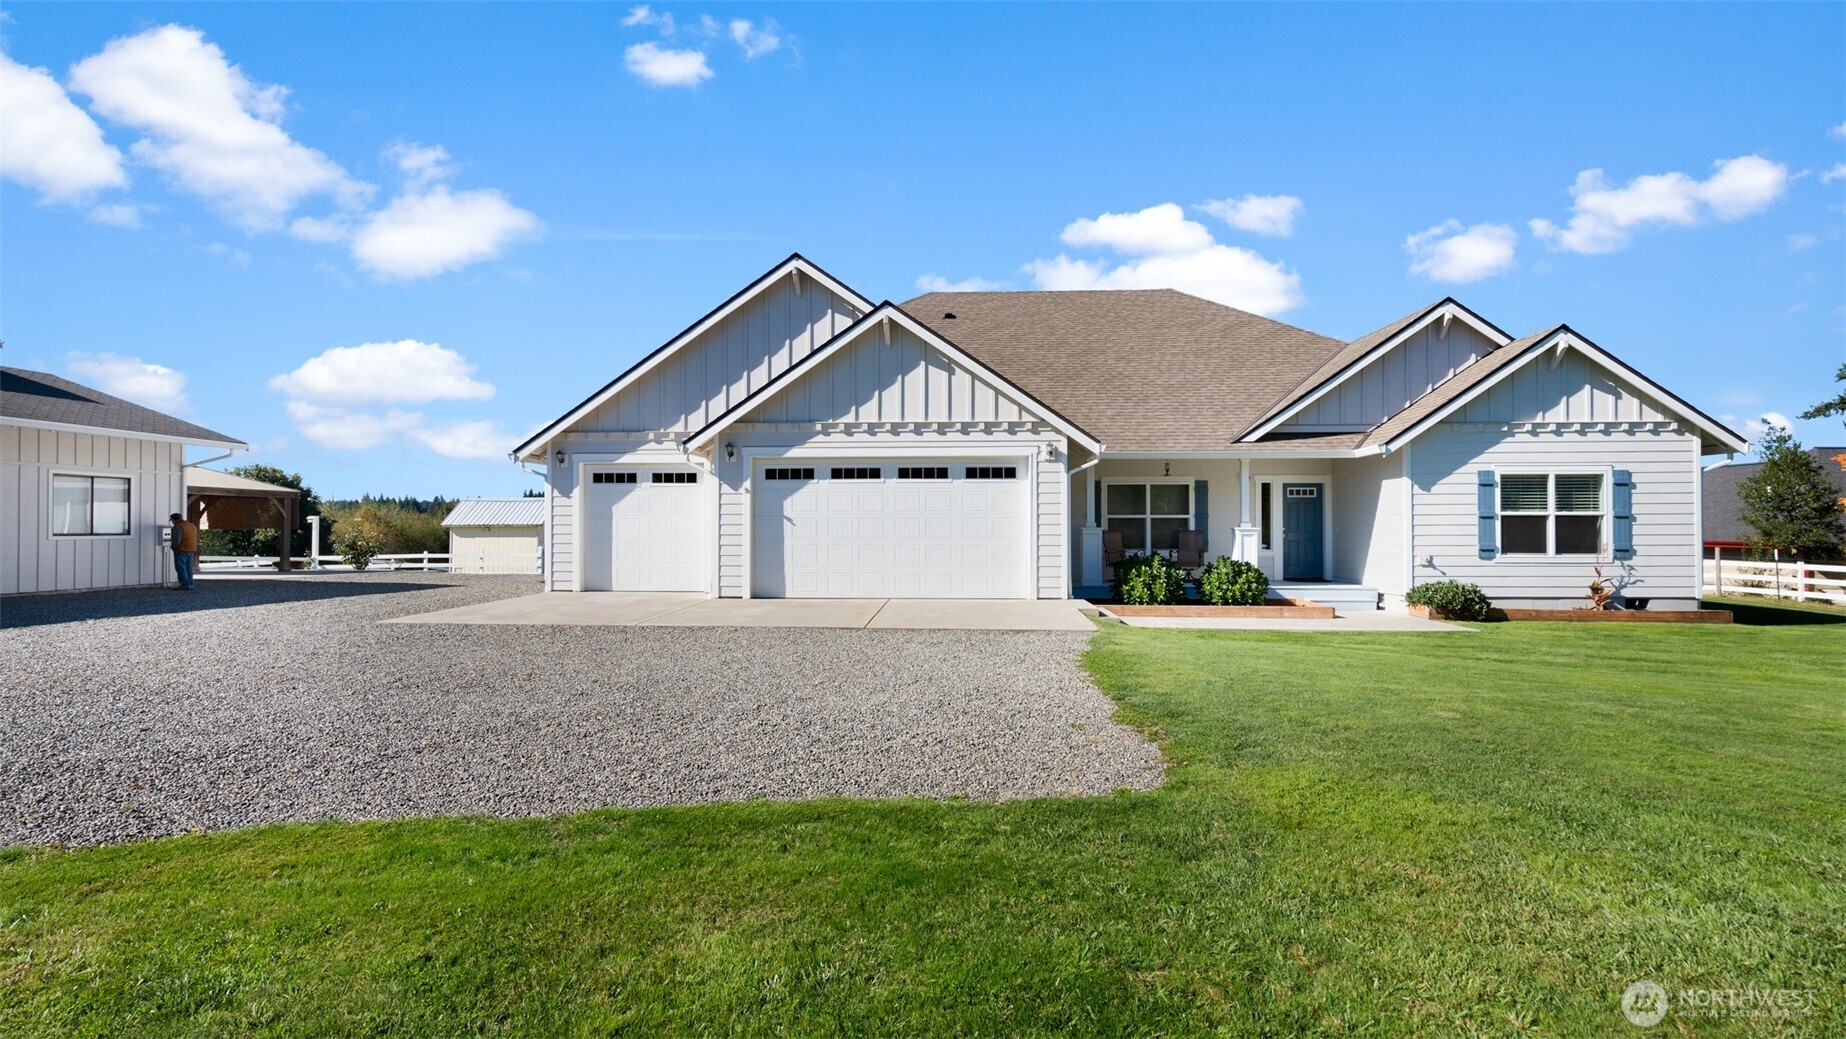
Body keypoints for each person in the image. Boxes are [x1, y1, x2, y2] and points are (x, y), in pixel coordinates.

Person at [169, 511, 199, 590]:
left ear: (174, 520)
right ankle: (190, 583)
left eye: (172, 520)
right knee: (188, 567)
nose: (172, 522)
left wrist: (173, 547)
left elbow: (176, 540)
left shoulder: (178, 527)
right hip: (191, 549)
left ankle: (185, 585)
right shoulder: (192, 525)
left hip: (181, 549)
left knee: (180, 567)